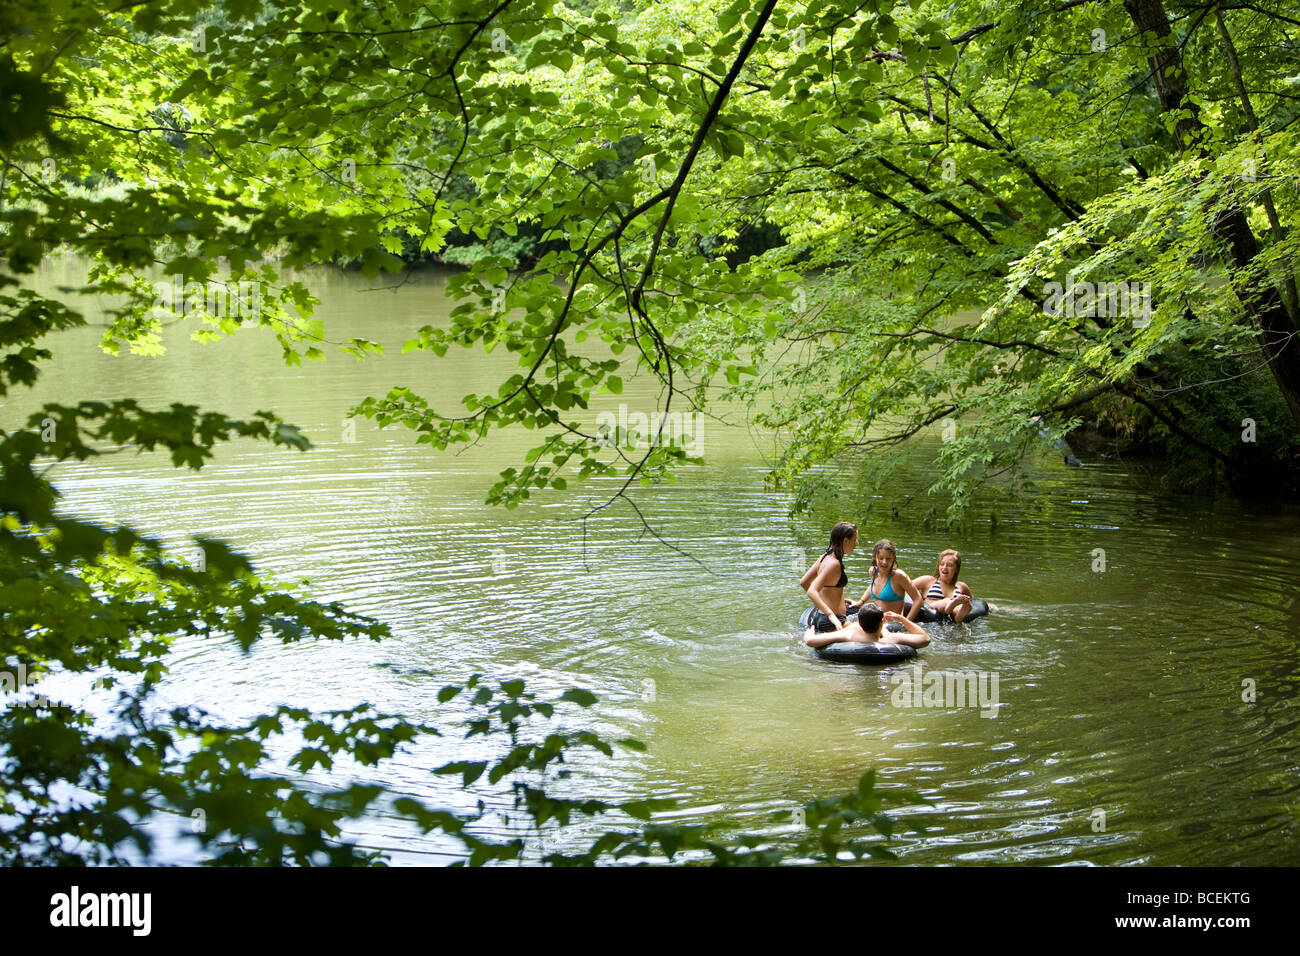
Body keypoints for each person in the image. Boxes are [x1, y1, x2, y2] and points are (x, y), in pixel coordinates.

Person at [799, 522, 857, 632]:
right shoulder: (834, 564)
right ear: (845, 541)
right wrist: (830, 614)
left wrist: (828, 601)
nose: (857, 543)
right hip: (832, 621)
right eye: (854, 540)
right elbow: (811, 590)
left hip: (821, 617)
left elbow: (804, 582)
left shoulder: (824, 557)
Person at [854, 539, 923, 622]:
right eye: (881, 558)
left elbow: (918, 599)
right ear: (875, 557)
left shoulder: (898, 576)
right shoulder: (873, 572)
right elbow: (873, 585)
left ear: (893, 558)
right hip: (876, 622)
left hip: (892, 625)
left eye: (888, 559)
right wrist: (861, 601)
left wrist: (906, 622)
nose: (884, 562)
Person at [804, 604, 930, 649]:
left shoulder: (849, 634)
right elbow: (925, 638)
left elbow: (810, 641)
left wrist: (810, 630)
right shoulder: (890, 639)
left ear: (859, 623)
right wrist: (901, 618)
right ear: (881, 623)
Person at [913, 549, 974, 623]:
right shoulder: (928, 580)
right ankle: (950, 606)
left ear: (956, 569)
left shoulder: (961, 586)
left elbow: (974, 601)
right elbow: (905, 587)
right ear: (938, 566)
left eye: (950, 565)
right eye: (942, 564)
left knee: (962, 605)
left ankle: (959, 616)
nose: (944, 567)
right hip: (932, 609)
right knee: (946, 601)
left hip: (953, 613)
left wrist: (988, 605)